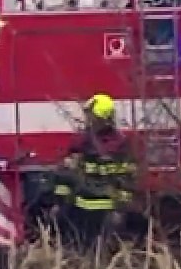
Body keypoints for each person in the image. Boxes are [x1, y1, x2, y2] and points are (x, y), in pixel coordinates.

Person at [53, 93, 135, 245]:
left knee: (103, 251)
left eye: (92, 116)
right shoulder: (82, 142)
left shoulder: (119, 146)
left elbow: (126, 181)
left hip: (105, 212)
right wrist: (60, 203)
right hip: (80, 211)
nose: (89, 120)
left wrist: (120, 210)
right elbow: (66, 173)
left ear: (102, 118)